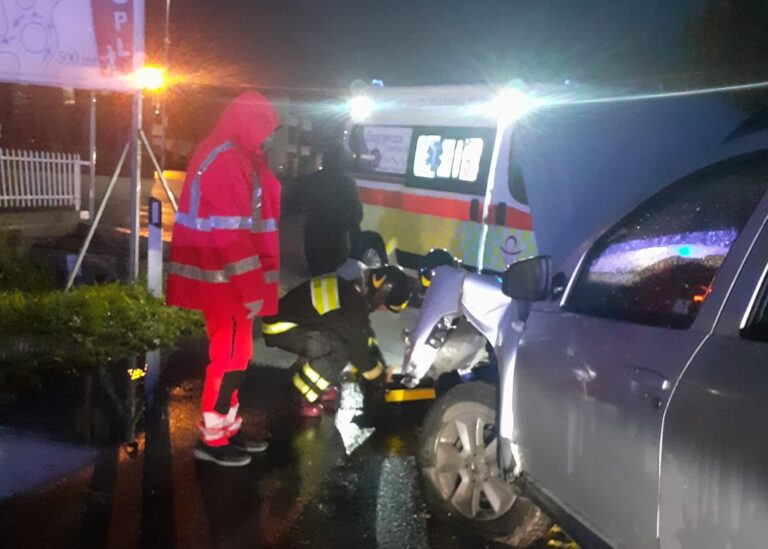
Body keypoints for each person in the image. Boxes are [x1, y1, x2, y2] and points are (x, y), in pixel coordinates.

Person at [166, 92, 281, 467]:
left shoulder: (235, 155)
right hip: (226, 283)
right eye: (266, 130)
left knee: (236, 356)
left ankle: (226, 429)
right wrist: (251, 289)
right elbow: (231, 235)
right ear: (250, 126)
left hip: (226, 281)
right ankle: (212, 438)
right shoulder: (228, 159)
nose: (270, 138)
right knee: (230, 358)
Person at [261, 265, 411, 417]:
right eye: (385, 306)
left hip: (293, 322)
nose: (382, 310)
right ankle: (301, 396)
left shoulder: (349, 290)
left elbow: (363, 333)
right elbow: (358, 348)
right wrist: (378, 378)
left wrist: (379, 363)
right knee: (342, 350)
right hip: (282, 328)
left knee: (339, 339)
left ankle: (318, 384)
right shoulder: (352, 303)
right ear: (381, 294)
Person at [287, 141, 363, 276]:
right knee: (333, 281)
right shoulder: (347, 184)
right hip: (336, 241)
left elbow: (293, 204)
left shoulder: (310, 180)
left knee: (315, 279)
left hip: (314, 237)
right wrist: (343, 226)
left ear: (324, 159)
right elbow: (357, 215)